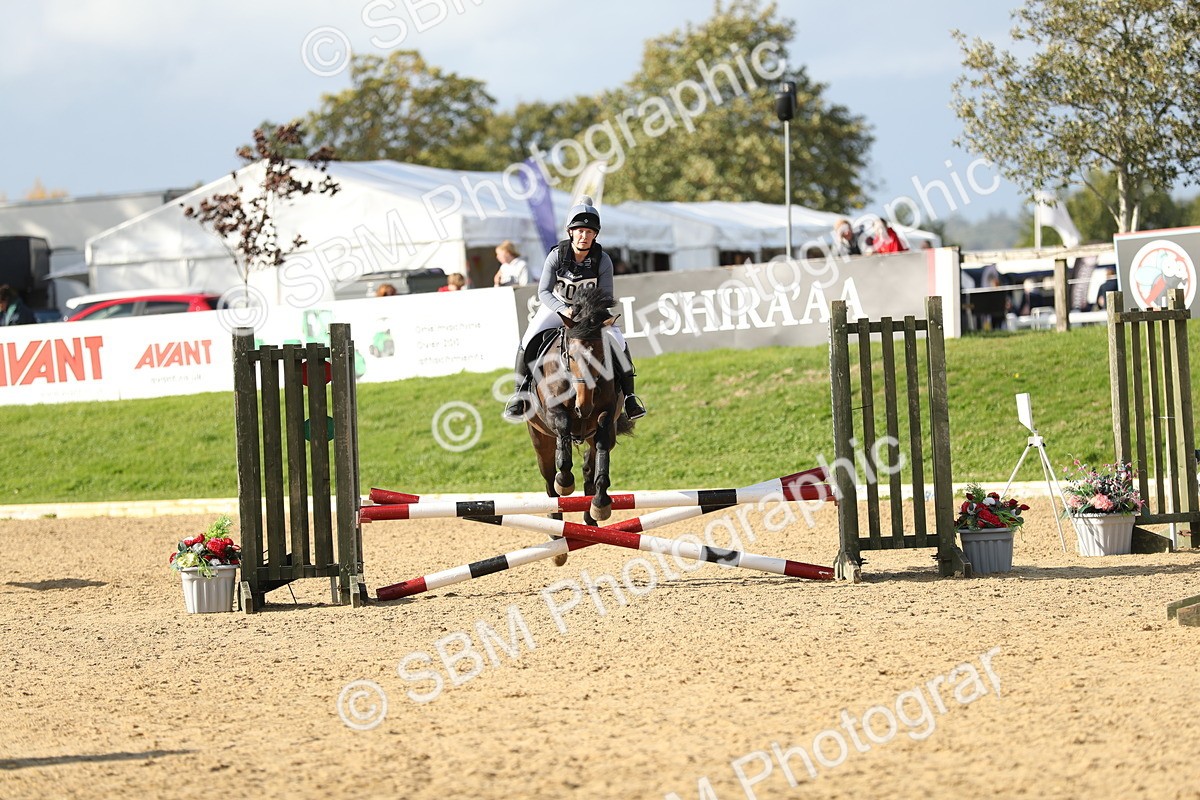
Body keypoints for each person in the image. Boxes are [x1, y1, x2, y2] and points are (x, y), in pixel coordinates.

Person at [503, 197, 646, 422]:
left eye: (589, 232)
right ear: (570, 232)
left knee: (619, 341)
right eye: (579, 231)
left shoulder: (602, 260)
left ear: (595, 235)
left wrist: (588, 315)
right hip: (558, 306)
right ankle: (519, 396)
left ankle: (629, 397)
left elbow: (606, 296)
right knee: (528, 339)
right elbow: (544, 292)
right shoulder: (557, 255)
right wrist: (564, 309)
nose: (584, 236)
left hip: (590, 313)